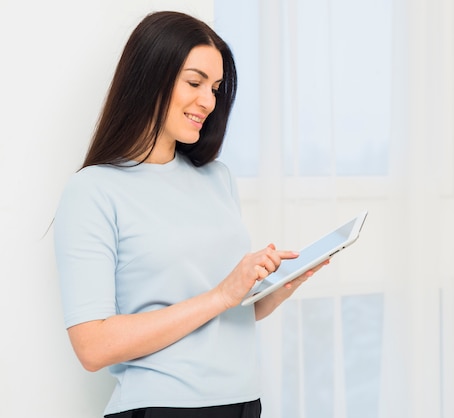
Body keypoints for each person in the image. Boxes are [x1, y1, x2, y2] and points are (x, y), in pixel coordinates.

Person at [54, 11, 326, 418]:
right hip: (164, 406)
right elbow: (92, 347)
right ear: (150, 77)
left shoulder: (218, 179)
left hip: (243, 401)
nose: (208, 100)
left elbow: (227, 312)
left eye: (215, 88)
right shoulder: (93, 190)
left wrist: (270, 292)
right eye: (194, 82)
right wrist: (220, 295)